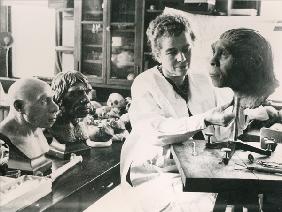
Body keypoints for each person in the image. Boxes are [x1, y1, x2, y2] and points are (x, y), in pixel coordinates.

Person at [120, 14, 235, 212]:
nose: (181, 58)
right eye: (172, 52)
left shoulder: (202, 81)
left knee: (227, 196)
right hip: (156, 168)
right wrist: (204, 119)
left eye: (186, 49)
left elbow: (223, 122)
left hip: (197, 165)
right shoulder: (144, 83)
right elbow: (156, 132)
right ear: (157, 54)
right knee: (194, 204)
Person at [209, 28, 280, 212]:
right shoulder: (229, 104)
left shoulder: (270, 111)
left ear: (253, 62)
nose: (212, 61)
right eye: (213, 51)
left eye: (223, 53)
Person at [49, 70, 112, 154]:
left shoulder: (80, 124)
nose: (87, 100)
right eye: (76, 94)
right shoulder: (52, 128)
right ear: (59, 97)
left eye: (87, 92)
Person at [0, 78, 59, 159]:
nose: (55, 108)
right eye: (43, 101)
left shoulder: (36, 129)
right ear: (19, 106)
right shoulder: (2, 144)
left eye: (53, 99)